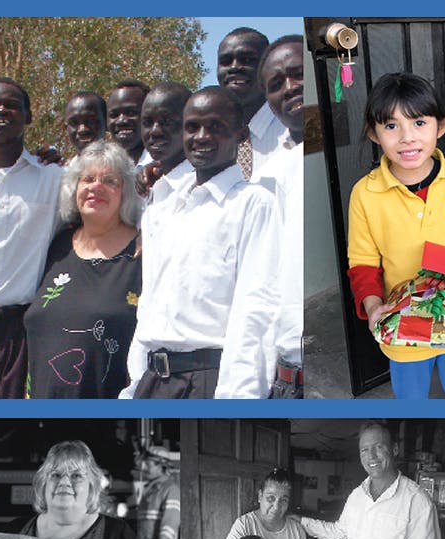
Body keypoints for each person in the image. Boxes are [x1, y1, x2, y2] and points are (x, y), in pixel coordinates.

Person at [119, 86, 279, 399]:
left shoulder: (252, 203)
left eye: (216, 127)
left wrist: (239, 395)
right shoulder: (162, 205)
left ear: (240, 134)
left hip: (210, 380)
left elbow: (255, 307)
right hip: (154, 380)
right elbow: (152, 300)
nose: (202, 137)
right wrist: (137, 381)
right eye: (192, 127)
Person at [346, 72, 445, 399]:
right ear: (374, 133)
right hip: (403, 322)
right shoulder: (365, 195)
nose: (407, 138)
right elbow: (362, 260)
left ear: (441, 126)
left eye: (419, 123)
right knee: (411, 401)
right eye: (391, 126)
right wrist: (373, 304)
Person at [0, 77, 62, 399]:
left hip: (17, 332)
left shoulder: (53, 179)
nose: (1, 110)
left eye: (12, 105)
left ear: (28, 116)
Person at [23, 141, 141, 398]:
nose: (96, 186)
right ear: (74, 188)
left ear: (126, 193)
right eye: (87, 179)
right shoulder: (55, 245)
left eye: (110, 181)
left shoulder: (144, 250)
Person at [300, 422, 440, 539]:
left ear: (394, 449)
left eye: (378, 447)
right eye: (364, 450)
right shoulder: (357, 495)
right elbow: (338, 531)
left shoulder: (417, 500)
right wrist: (301, 522)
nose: (371, 456)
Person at [18, 440, 164, 539]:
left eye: (76, 476)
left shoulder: (114, 533)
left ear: (92, 486)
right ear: (43, 483)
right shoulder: (16, 531)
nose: (64, 482)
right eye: (55, 475)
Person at [255, 35, 306, 399]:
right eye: (276, 85)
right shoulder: (266, 174)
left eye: (298, 73)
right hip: (286, 371)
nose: (289, 88)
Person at [215, 27, 284, 175]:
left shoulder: (292, 131)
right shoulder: (209, 137)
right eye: (226, 61)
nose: (234, 67)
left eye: (247, 60)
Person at [135, 446, 180, 539]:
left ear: (161, 466)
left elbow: (172, 518)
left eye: (149, 464)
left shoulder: (170, 488)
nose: (144, 467)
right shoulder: (151, 488)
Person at [138, 82, 193, 199]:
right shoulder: (146, 185)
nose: (155, 131)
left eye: (167, 122)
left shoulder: (199, 190)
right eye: (147, 122)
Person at [108, 80, 150, 166]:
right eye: (114, 115)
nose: (121, 121)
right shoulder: (106, 166)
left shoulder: (164, 166)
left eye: (131, 113)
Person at [63, 91, 107, 167]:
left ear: (106, 122)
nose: (82, 129)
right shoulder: (60, 173)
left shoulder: (125, 170)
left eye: (91, 121)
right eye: (74, 122)